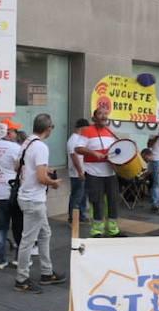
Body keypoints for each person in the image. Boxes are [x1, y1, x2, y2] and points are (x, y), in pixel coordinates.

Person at [13, 113, 65, 292]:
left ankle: (46, 272)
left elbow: (17, 166)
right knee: (28, 240)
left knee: (45, 234)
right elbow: (42, 178)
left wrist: (41, 170)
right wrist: (54, 183)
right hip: (34, 199)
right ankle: (22, 279)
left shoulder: (26, 142)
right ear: (48, 128)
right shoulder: (41, 147)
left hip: (25, 196)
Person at [75, 107, 121, 237]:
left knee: (113, 201)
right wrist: (93, 153)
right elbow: (78, 148)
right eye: (100, 114)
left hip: (110, 173)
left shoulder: (110, 132)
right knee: (97, 201)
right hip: (93, 173)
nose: (103, 116)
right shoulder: (86, 131)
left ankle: (113, 229)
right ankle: (96, 230)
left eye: (105, 114)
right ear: (94, 118)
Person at [0, 119, 24, 268]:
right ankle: (19, 258)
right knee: (18, 226)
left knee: (1, 227)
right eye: (14, 131)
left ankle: (0, 260)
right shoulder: (15, 148)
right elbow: (20, 168)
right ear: (8, 133)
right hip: (11, 192)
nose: (16, 133)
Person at [66, 117, 90, 225]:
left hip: (81, 171)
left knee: (82, 195)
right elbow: (73, 156)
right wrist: (80, 171)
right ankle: (72, 218)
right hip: (76, 173)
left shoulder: (79, 138)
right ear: (82, 127)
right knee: (76, 196)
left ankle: (81, 215)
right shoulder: (74, 139)